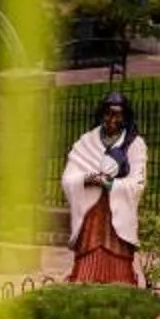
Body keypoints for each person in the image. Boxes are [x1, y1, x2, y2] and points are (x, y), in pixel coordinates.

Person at [62, 94, 148, 286]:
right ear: (102, 115)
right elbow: (68, 178)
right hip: (91, 216)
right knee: (89, 254)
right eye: (108, 114)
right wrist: (88, 179)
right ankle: (84, 282)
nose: (112, 119)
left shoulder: (134, 145)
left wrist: (112, 185)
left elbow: (138, 183)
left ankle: (120, 283)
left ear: (125, 117)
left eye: (117, 115)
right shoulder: (86, 142)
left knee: (117, 260)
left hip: (116, 216)